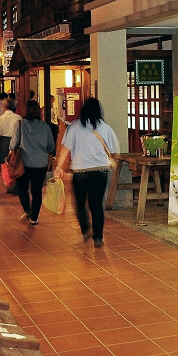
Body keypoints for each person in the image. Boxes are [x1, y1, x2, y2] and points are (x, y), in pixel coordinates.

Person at [55, 97, 119, 247]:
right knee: (96, 204)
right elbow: (114, 149)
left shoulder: (74, 126)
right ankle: (98, 237)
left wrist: (59, 166)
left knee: (79, 204)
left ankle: (85, 230)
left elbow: (66, 148)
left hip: (80, 172)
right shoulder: (105, 127)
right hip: (100, 171)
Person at [9, 100, 55, 227]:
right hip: (40, 164)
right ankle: (34, 217)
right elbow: (51, 146)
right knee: (37, 191)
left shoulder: (20, 124)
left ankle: (27, 210)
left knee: (22, 189)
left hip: (23, 163)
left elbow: (13, 144)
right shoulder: (45, 126)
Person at [0, 97, 20, 165]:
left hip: (4, 143)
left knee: (4, 163)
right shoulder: (18, 117)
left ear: (4, 107)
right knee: (15, 164)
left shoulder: (1, 118)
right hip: (16, 142)